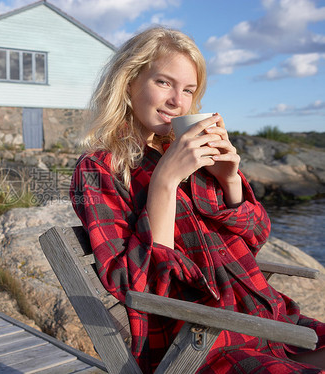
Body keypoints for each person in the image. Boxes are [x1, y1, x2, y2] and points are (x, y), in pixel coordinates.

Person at [70, 26, 325, 373]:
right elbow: (137, 287)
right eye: (163, 82)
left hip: (264, 314)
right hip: (197, 339)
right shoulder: (100, 169)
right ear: (128, 83)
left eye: (188, 89)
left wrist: (229, 179)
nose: (178, 100)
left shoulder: (194, 153)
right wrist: (165, 182)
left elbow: (257, 235)